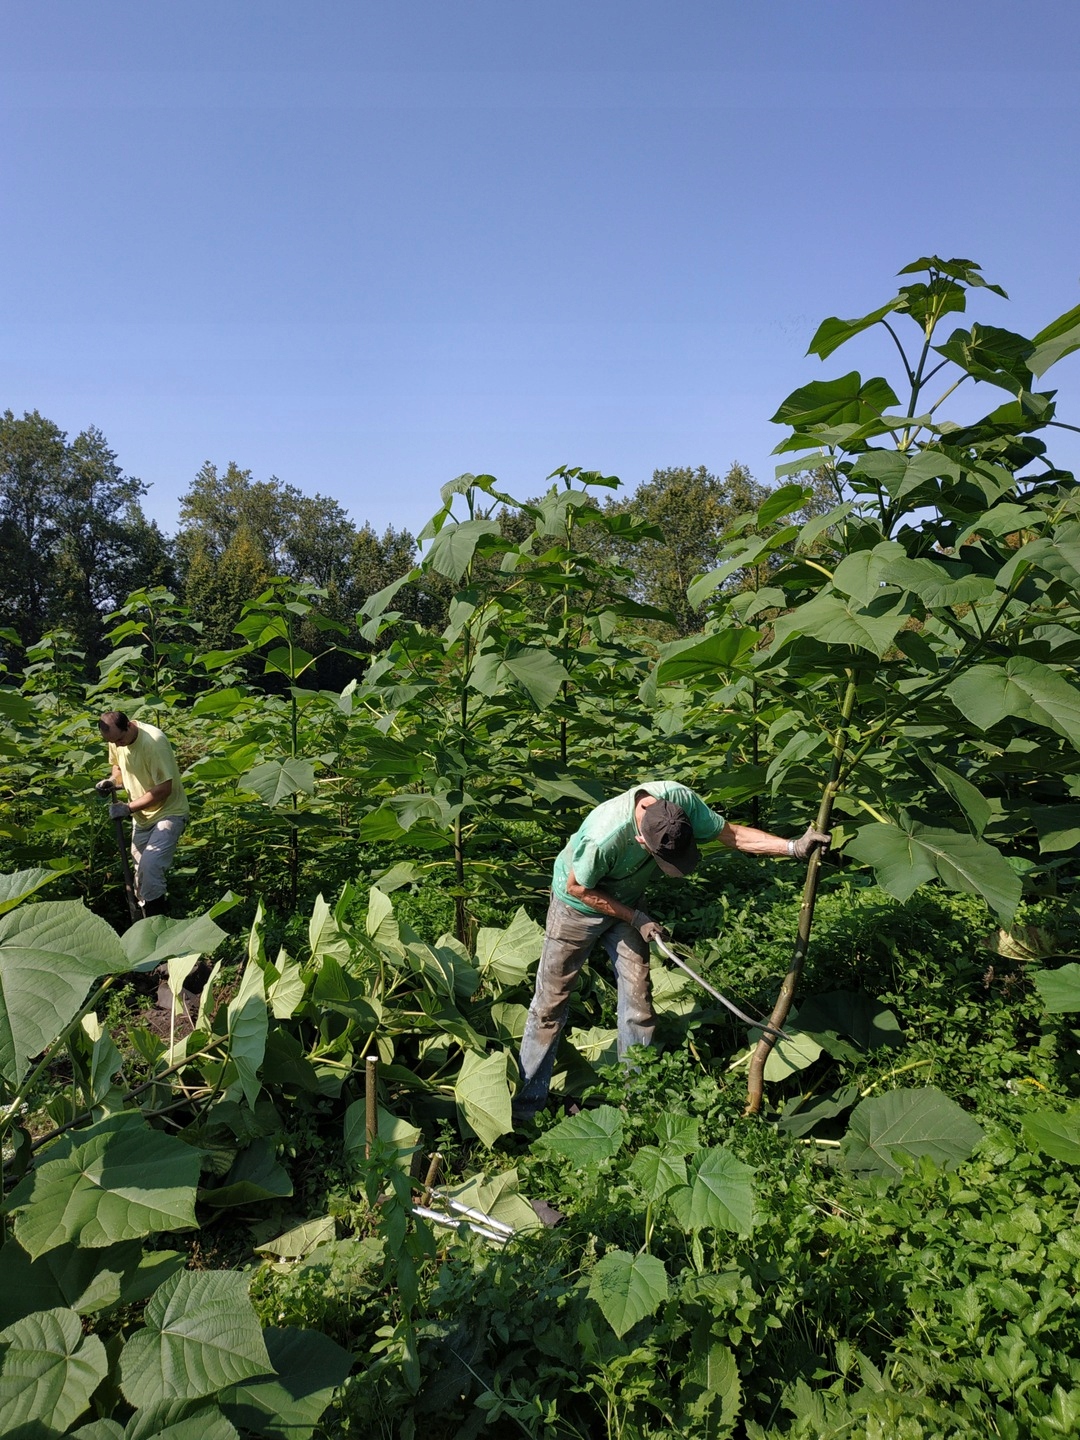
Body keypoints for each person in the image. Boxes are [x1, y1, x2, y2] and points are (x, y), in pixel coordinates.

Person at [514, 781, 830, 1122]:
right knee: (551, 1004)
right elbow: (577, 887)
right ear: (640, 841)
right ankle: (526, 1108)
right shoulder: (602, 837)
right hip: (577, 907)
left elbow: (731, 834)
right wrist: (635, 917)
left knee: (639, 1001)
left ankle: (635, 1104)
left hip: (629, 901)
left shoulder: (679, 802)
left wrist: (795, 847)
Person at [97, 710, 190, 917]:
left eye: (120, 739)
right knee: (141, 875)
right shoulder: (116, 739)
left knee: (150, 866)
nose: (118, 745)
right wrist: (112, 782)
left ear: (129, 725)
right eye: (113, 742)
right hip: (142, 817)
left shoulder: (153, 742)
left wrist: (127, 808)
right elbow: (117, 766)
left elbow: (164, 788)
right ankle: (145, 923)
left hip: (169, 812)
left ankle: (158, 922)